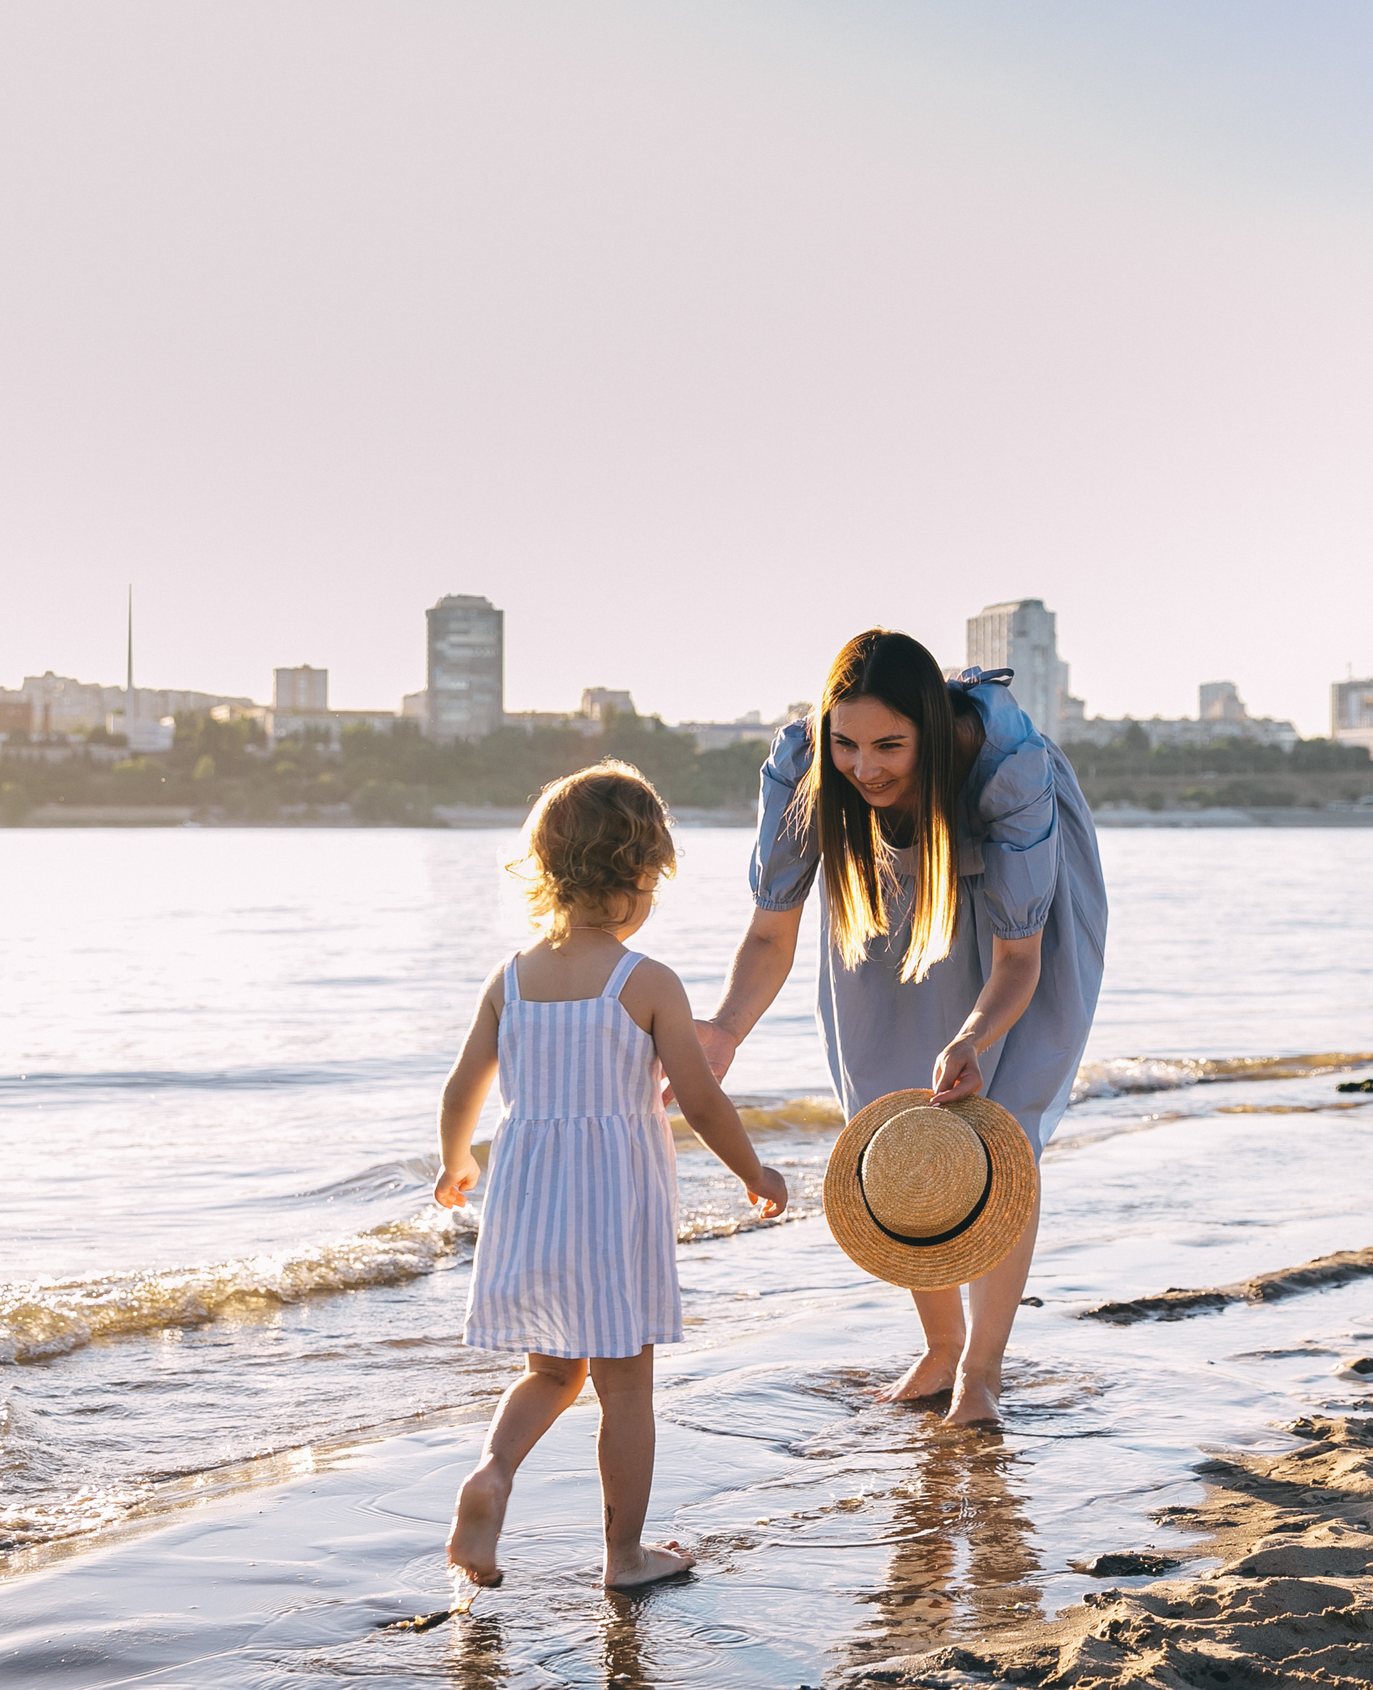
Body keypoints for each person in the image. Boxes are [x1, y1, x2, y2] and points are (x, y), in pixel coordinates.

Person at [693, 629, 1106, 1425]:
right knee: (896, 1111)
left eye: (890, 745)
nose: (866, 767)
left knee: (1000, 1122)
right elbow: (770, 932)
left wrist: (973, 1037)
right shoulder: (806, 768)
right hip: (888, 899)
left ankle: (981, 1370)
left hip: (1011, 908)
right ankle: (942, 1343)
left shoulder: (1006, 772)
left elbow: (1018, 962)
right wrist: (725, 1028)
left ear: (928, 729)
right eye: (847, 743)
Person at [432, 761, 789, 1591]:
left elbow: (462, 1087)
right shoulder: (646, 981)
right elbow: (699, 1098)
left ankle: (491, 1473)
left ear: (547, 870)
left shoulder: (511, 978)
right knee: (625, 1387)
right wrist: (754, 1168)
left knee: (551, 1371)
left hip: (528, 1200)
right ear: (641, 874)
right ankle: (623, 1555)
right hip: (611, 1204)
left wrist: (456, 1162)